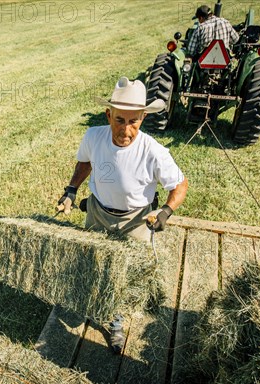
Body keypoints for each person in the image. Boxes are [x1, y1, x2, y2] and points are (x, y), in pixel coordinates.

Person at [57, 76, 189, 353]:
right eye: (119, 120)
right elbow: (85, 162)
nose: (126, 130)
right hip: (97, 212)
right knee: (95, 263)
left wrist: (165, 211)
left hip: (136, 221)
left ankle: (115, 322)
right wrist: (71, 190)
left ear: (142, 117)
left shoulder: (153, 150)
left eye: (134, 121)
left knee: (124, 275)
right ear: (108, 114)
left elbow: (179, 184)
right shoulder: (94, 136)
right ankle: (94, 304)